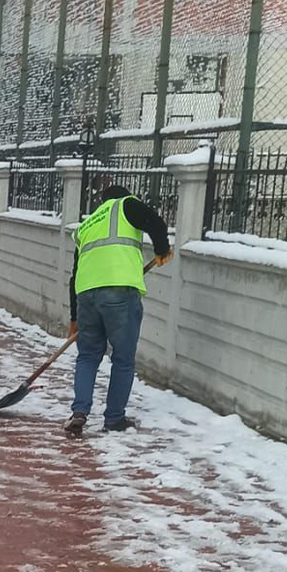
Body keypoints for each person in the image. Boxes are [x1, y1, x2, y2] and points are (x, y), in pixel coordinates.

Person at [64, 186, 172, 437]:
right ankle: (114, 419)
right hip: (120, 292)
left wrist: (74, 317)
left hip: (86, 295)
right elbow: (156, 223)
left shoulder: (87, 225)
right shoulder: (126, 204)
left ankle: (79, 411)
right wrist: (161, 250)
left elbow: (74, 275)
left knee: (88, 356)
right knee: (122, 358)